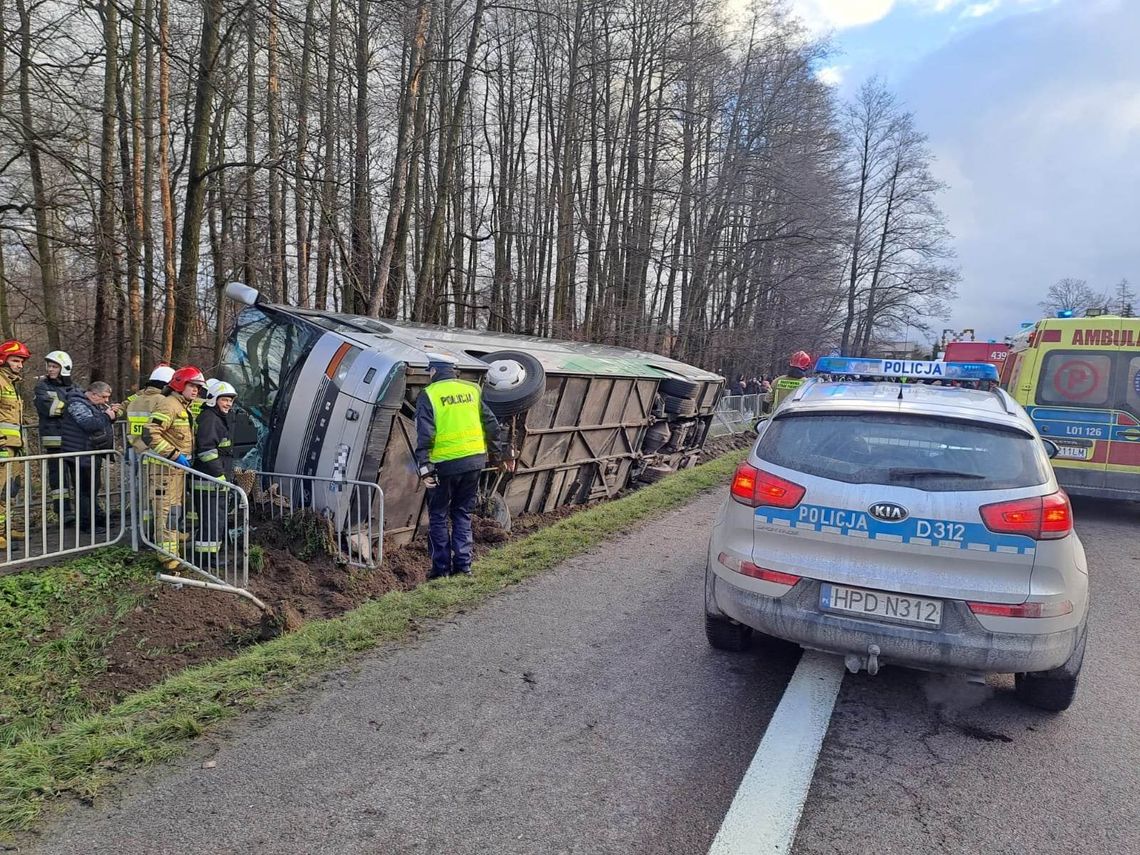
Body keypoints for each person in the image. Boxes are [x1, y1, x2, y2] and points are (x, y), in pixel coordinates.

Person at [414, 355, 508, 579]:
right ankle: (464, 566)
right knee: (462, 513)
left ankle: (440, 570)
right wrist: (497, 455)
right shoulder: (472, 390)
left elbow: (425, 434)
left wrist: (424, 467)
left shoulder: (429, 394)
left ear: (434, 372)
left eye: (430, 372)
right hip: (474, 462)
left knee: (438, 515)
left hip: (444, 465)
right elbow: (492, 424)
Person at [133, 366, 205, 569]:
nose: (195, 391)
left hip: (176, 470)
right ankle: (167, 556)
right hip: (164, 469)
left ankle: (172, 547)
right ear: (181, 384)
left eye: (198, 388)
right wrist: (174, 455)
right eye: (193, 386)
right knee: (164, 511)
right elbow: (150, 434)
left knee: (174, 510)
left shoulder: (183, 406)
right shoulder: (169, 405)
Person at [60, 381, 121, 533]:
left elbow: (99, 422)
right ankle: (87, 524)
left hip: (90, 452)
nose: (106, 400)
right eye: (104, 397)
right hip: (80, 454)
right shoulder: (76, 404)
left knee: (91, 489)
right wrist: (107, 416)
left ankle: (96, 518)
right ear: (93, 394)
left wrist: (112, 416)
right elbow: (89, 424)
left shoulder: (90, 404)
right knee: (84, 491)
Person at [191, 380, 237, 556]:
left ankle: (211, 555)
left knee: (215, 520)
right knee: (211, 521)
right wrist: (219, 475)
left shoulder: (216, 417)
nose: (228, 404)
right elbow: (207, 451)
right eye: (224, 400)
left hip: (213, 480)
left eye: (230, 401)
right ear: (214, 400)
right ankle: (206, 558)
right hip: (209, 481)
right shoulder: (210, 419)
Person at [33, 350, 75, 520]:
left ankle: (83, 511)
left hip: (72, 439)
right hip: (54, 441)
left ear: (64, 368)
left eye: (54, 366)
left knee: (78, 477)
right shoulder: (42, 386)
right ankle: (63, 512)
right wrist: (73, 406)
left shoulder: (72, 386)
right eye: (49, 366)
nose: (50, 369)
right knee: (58, 480)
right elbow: (49, 408)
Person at [0, 339, 29, 550]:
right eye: (16, 360)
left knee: (10, 490)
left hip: (14, 446)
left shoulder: (12, 384)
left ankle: (6, 528)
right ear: (4, 359)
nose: (20, 365)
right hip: (2, 446)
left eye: (21, 361)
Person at [126, 365, 176, 444]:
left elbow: (130, 431)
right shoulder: (164, 401)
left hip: (136, 449)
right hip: (157, 451)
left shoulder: (135, 400)